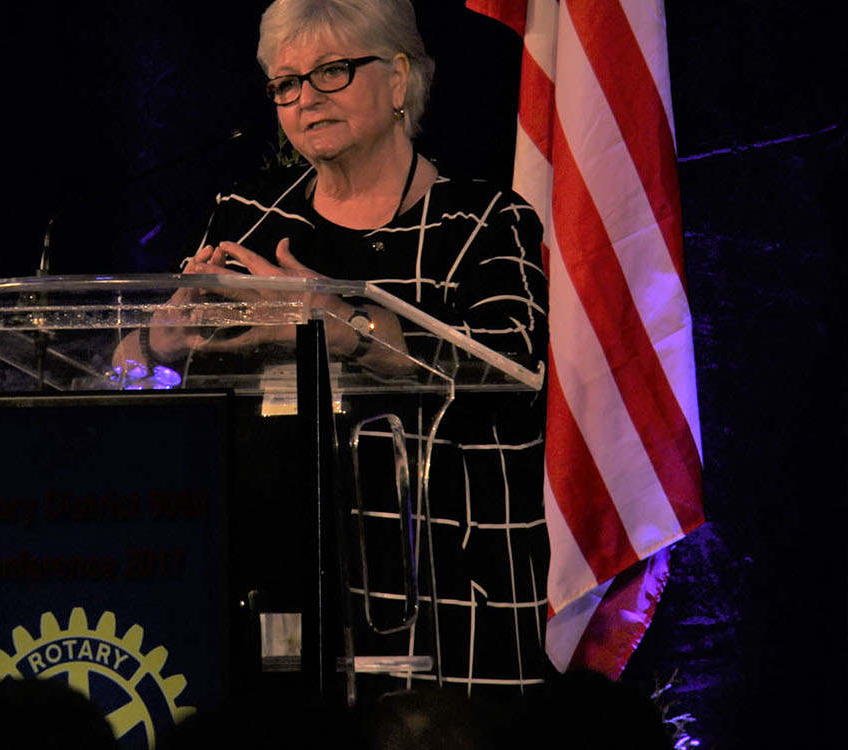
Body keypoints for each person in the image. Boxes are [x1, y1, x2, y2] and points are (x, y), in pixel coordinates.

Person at [138, 0, 551, 698]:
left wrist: (341, 325)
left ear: (398, 78)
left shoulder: (483, 222)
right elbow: (140, 363)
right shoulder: (250, 218)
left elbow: (509, 373)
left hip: (448, 597)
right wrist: (158, 342)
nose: (306, 98)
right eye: (287, 82)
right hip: (272, 584)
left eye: (332, 71)